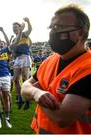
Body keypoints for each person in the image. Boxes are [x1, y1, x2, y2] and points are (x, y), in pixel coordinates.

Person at [22, 4, 91, 134]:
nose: (53, 32)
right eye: (51, 27)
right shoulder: (50, 60)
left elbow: (62, 118)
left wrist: (35, 90)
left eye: (59, 27)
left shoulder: (88, 68)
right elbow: (24, 87)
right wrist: (37, 93)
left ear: (81, 33)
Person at [11, 17, 32, 110]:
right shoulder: (14, 39)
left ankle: (28, 100)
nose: (14, 28)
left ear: (19, 28)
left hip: (25, 57)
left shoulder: (24, 34)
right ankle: (20, 98)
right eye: (13, 27)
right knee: (15, 79)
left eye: (16, 27)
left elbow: (30, 29)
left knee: (25, 79)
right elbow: (13, 49)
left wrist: (28, 21)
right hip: (17, 59)